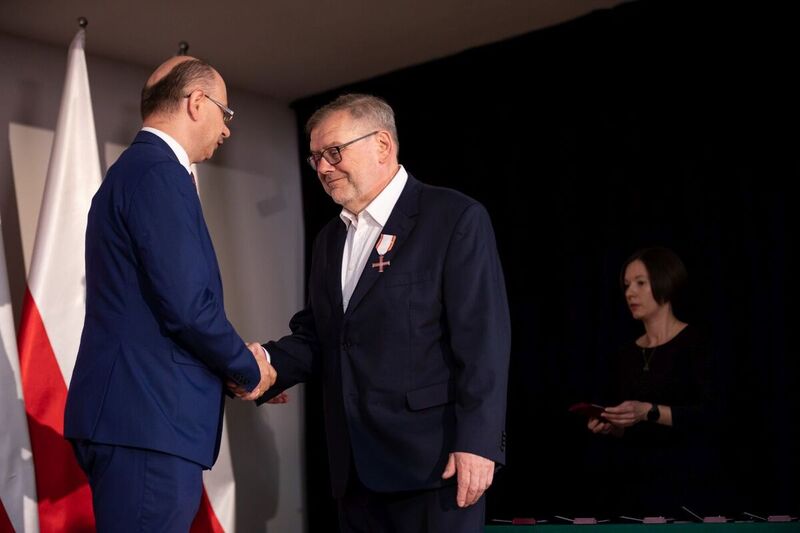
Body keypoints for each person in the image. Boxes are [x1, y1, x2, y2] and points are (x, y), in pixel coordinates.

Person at [251, 94, 511, 532]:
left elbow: (483, 342)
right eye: (315, 157)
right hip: (354, 472)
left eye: (334, 152)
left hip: (436, 467)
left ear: (383, 145)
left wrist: (480, 443)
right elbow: (322, 334)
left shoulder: (453, 218)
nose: (322, 168)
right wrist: (266, 364)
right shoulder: (329, 240)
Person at [64, 56, 275, 531]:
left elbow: (162, 304)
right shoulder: (159, 174)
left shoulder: (137, 171)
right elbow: (186, 307)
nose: (227, 130)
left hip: (139, 418)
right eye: (227, 113)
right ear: (197, 103)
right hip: (148, 422)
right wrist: (247, 370)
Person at [586, 247, 720, 516]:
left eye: (640, 283)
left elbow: (713, 415)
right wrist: (613, 425)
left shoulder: (698, 344)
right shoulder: (623, 355)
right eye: (626, 285)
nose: (630, 293)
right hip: (635, 490)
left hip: (690, 487)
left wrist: (648, 411)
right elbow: (629, 428)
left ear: (665, 283)